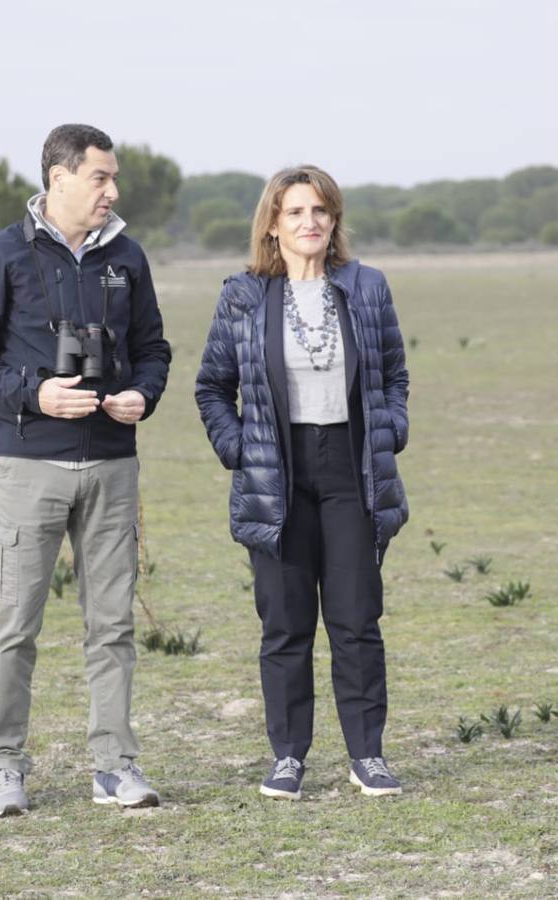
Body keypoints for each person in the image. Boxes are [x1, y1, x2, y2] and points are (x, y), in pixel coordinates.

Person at [0, 123, 171, 816]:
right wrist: (33, 394)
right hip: (28, 466)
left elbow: (154, 349)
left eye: (114, 177)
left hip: (113, 466)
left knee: (113, 627)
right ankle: (3, 768)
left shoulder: (127, 256)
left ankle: (115, 767)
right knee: (15, 626)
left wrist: (143, 395)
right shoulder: (2, 254)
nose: (113, 190)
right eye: (101, 176)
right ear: (59, 177)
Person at [195, 165, 410, 800]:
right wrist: (239, 449)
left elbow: (395, 373)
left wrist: (391, 429)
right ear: (272, 224)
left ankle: (367, 754)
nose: (309, 222)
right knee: (285, 624)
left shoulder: (366, 287)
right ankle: (288, 757)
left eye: (320, 210)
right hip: (276, 473)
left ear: (334, 219)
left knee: (356, 619)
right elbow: (212, 387)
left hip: (351, 467)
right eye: (294, 212)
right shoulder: (243, 295)